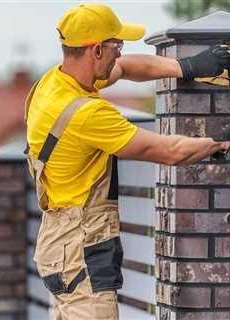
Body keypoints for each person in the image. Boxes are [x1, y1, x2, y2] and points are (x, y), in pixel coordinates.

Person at [25, 3, 230, 320]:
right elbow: (170, 151)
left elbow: (126, 68)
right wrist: (218, 143)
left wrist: (187, 66)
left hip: (59, 244)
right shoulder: (87, 114)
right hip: (82, 249)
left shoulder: (52, 85)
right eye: (116, 45)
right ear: (95, 50)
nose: (120, 53)